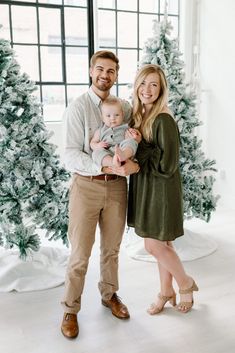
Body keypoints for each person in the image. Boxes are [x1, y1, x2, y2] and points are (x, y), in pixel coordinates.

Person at [61, 50, 140, 339]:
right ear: (91, 71)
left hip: (118, 187)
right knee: (80, 254)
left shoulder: (125, 108)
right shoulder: (78, 108)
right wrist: (106, 162)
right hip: (86, 186)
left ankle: (110, 296)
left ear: (116, 75)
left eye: (111, 71)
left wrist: (132, 160)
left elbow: (133, 138)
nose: (105, 75)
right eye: (100, 69)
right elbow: (70, 155)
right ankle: (70, 308)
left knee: (112, 250)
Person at [127, 64, 199, 315]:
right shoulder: (140, 115)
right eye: (143, 83)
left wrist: (140, 146)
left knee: (153, 246)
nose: (147, 90)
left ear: (161, 89)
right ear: (136, 85)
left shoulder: (163, 118)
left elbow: (167, 164)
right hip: (148, 186)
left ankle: (185, 283)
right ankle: (165, 291)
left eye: (154, 85)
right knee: (164, 245)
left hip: (162, 189)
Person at [90, 96, 138, 167]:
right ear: (103, 118)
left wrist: (133, 134)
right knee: (96, 154)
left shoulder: (125, 128)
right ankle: (113, 162)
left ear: (122, 115)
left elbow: (133, 137)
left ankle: (123, 155)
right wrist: (97, 145)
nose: (113, 118)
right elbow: (92, 143)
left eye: (117, 115)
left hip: (122, 149)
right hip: (107, 152)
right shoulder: (100, 131)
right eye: (108, 116)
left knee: (131, 141)